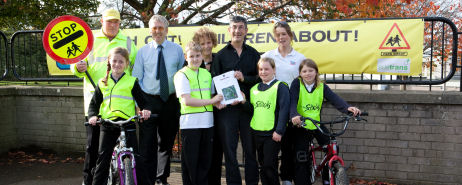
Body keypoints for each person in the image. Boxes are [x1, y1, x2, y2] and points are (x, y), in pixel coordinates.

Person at [70, 8, 137, 185]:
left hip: (120, 106)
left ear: (120, 23)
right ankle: (88, 180)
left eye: (116, 22)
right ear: (101, 22)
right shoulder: (88, 41)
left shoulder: (128, 42)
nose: (113, 25)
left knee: (121, 148)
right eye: (109, 21)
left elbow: (134, 72)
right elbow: (75, 65)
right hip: (95, 104)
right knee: (92, 149)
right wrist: (78, 68)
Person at [289, 59, 361, 185]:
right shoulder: (297, 84)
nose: (308, 74)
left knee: (332, 147)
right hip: (301, 124)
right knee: (301, 157)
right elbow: (292, 102)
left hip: (316, 124)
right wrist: (294, 115)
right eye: (304, 71)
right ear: (300, 73)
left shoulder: (322, 86)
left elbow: (335, 99)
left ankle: (327, 179)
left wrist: (347, 108)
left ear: (316, 72)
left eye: (311, 70)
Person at [132, 15, 185, 185]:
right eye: (154, 28)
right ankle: (147, 180)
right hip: (148, 101)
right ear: (150, 30)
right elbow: (136, 80)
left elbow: (182, 76)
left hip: (170, 100)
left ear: (167, 30)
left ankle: (161, 178)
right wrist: (139, 105)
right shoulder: (142, 51)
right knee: (147, 144)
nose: (157, 31)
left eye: (161, 28)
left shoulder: (177, 50)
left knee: (166, 144)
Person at [87, 47, 151, 185]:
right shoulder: (102, 83)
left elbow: (144, 102)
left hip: (127, 123)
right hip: (108, 124)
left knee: (137, 158)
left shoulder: (132, 81)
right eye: (114, 61)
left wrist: (146, 110)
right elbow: (93, 104)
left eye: (121, 62)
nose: (117, 64)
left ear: (127, 64)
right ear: (109, 62)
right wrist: (92, 116)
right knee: (103, 159)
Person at [211, 15, 260, 185]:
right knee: (230, 151)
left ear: (246, 31)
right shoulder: (220, 56)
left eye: (241, 27)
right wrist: (219, 100)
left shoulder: (253, 54)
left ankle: (252, 182)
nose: (237, 30)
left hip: (247, 109)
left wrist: (244, 78)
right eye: (234, 27)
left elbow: (260, 79)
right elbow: (214, 82)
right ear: (229, 30)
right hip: (227, 110)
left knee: (250, 150)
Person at [261, 21, 305, 185]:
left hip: (292, 108)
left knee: (288, 148)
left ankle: (286, 179)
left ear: (290, 35)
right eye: (278, 34)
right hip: (271, 109)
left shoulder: (300, 58)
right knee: (271, 151)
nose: (281, 37)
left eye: (284, 34)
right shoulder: (268, 56)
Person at [173, 41, 224, 185]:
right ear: (185, 57)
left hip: (207, 123)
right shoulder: (181, 75)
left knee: (205, 162)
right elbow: (188, 101)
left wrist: (218, 103)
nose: (195, 59)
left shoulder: (206, 74)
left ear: (202, 56)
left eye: (197, 55)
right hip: (190, 125)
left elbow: (212, 98)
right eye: (191, 56)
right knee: (191, 163)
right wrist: (212, 101)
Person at [249, 57, 290, 185]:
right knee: (263, 166)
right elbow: (251, 109)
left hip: (272, 134)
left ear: (274, 70)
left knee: (269, 166)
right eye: (261, 69)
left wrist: (279, 131)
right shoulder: (254, 88)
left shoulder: (281, 87)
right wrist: (242, 100)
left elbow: (284, 110)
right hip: (256, 132)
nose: (263, 72)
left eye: (267, 69)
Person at [192, 27, 223, 185]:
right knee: (201, 152)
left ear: (213, 42)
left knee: (217, 150)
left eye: (209, 42)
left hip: (219, 112)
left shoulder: (220, 58)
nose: (206, 46)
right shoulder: (193, 63)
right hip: (200, 112)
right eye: (202, 43)